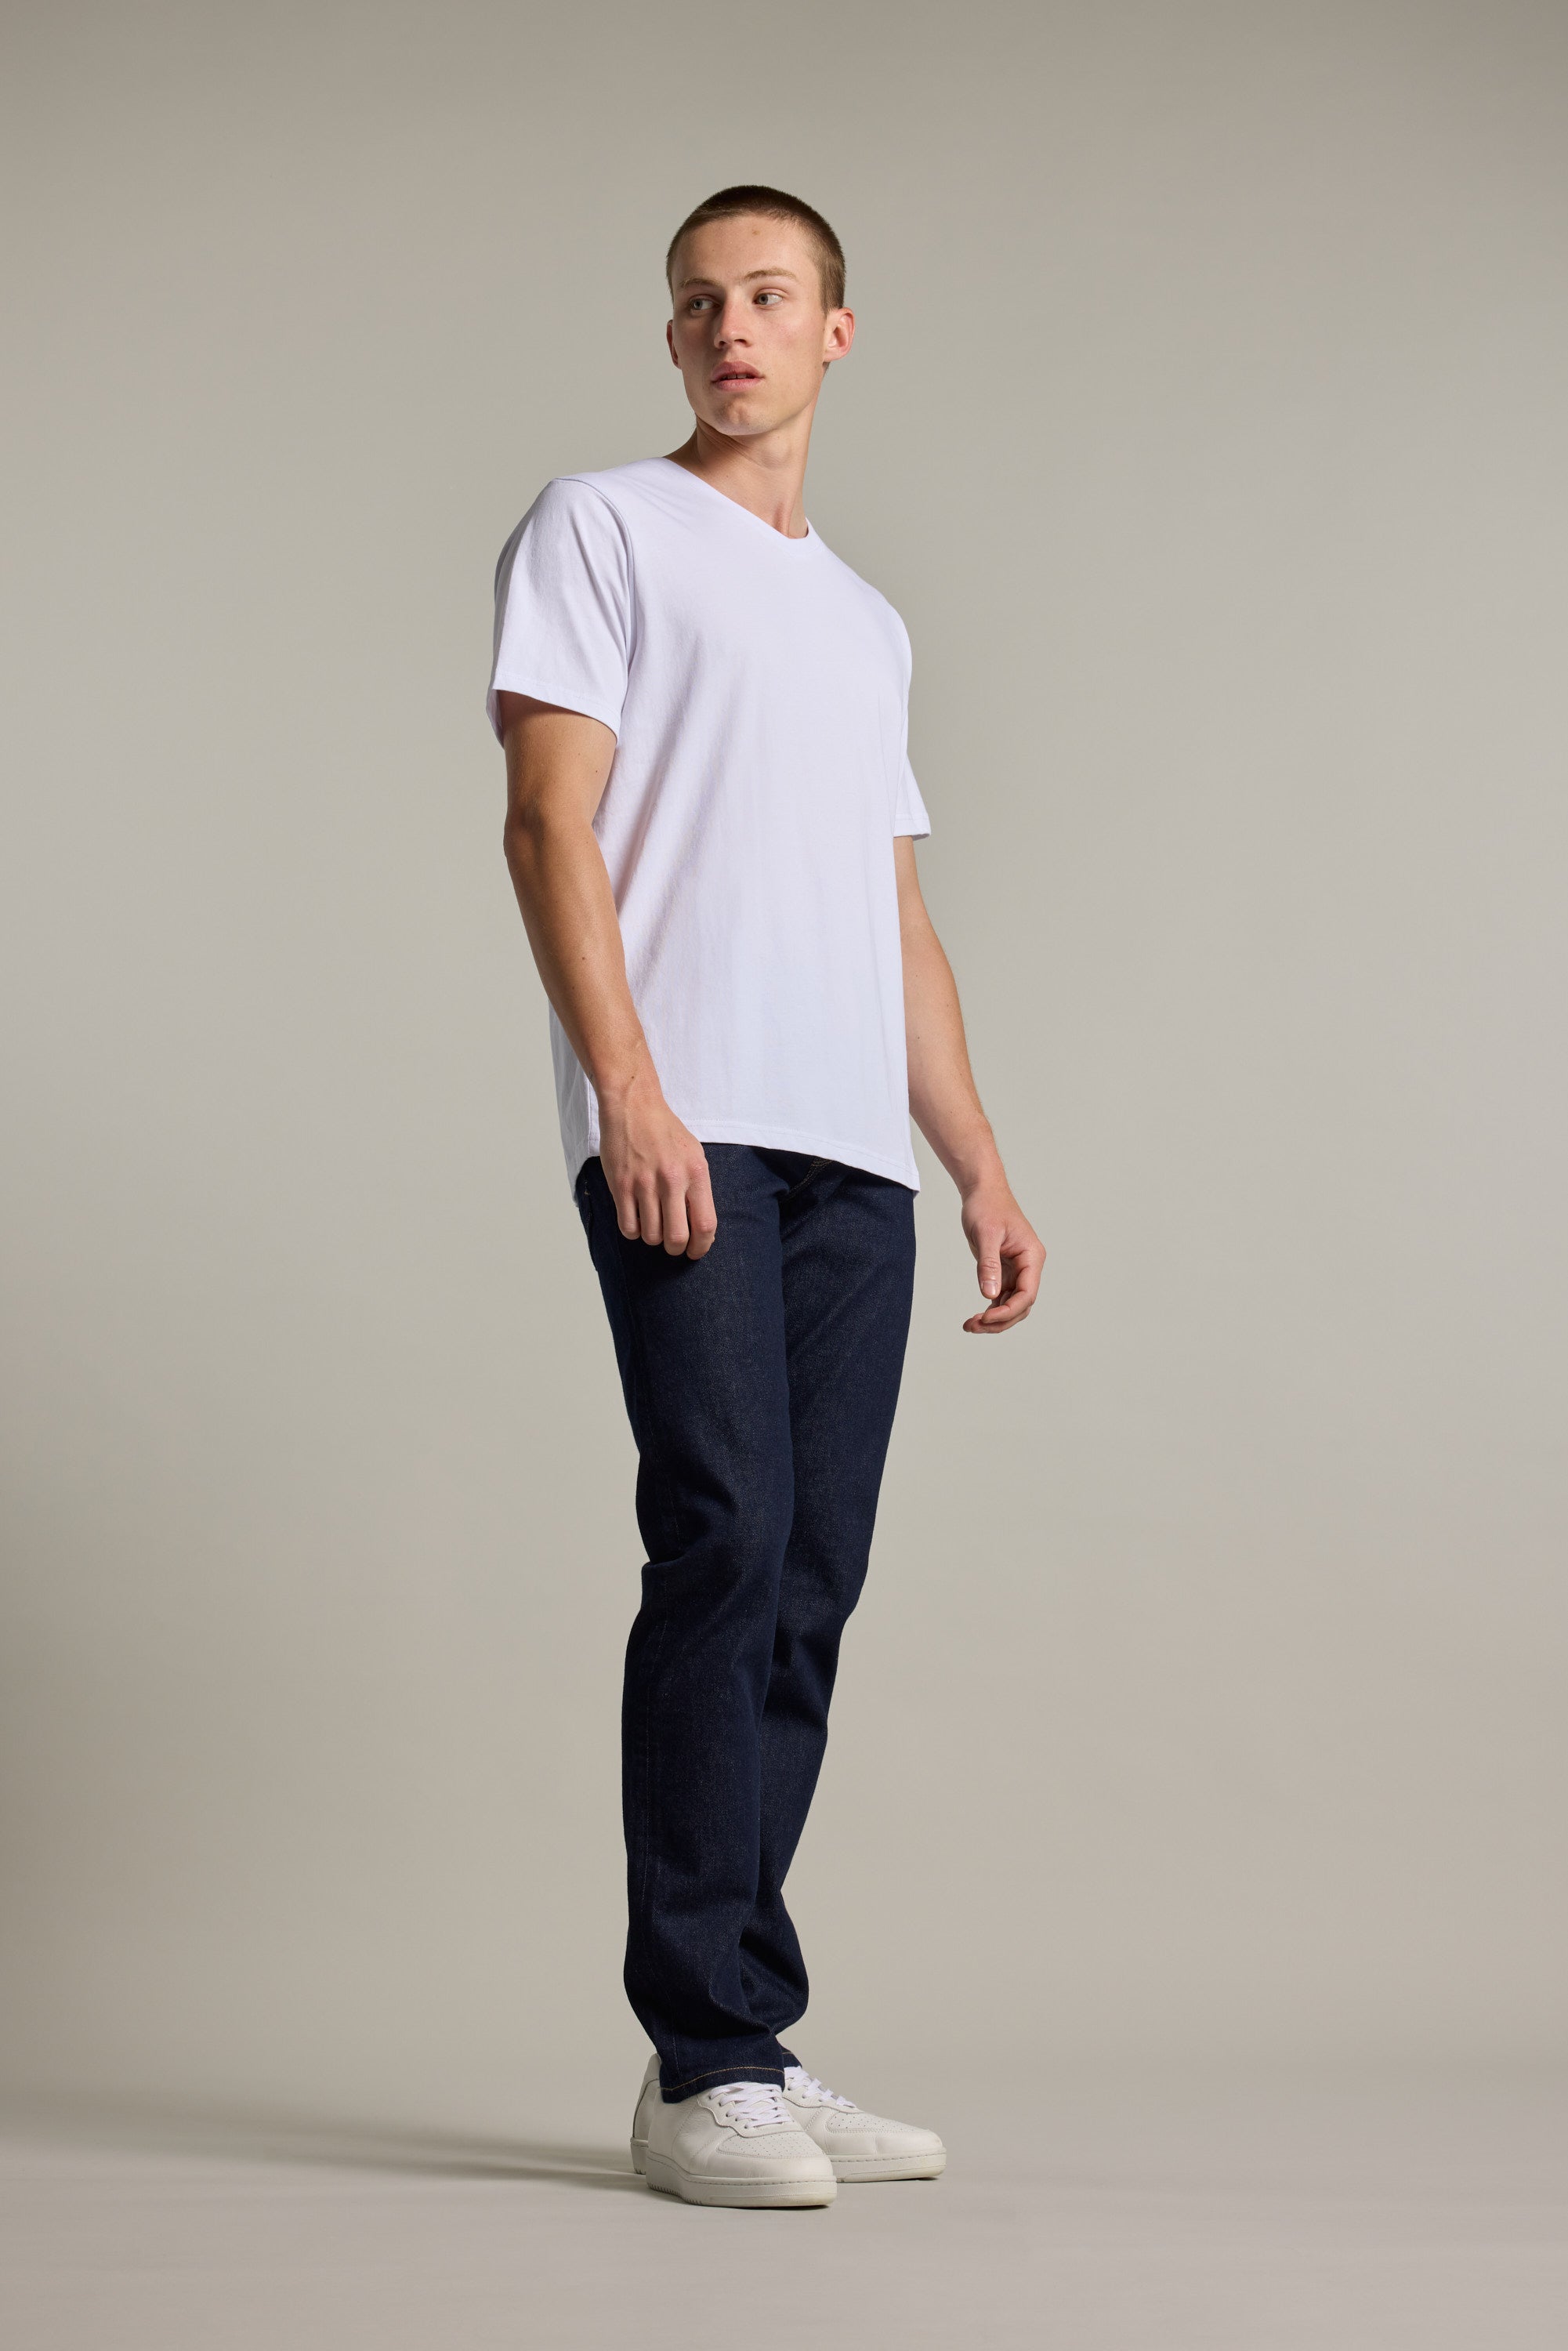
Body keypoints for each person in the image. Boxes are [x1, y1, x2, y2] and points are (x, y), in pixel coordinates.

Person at [489, 185, 1045, 2209]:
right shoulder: (602, 529)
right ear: (675, 343)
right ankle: (698, 2058)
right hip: (688, 1121)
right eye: (702, 301)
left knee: (809, 1581)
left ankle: (749, 2029)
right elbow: (548, 821)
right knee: (723, 1542)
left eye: (772, 295)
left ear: (835, 334)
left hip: (850, 1155)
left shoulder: (867, 618)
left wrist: (973, 1156)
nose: (734, 325)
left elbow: (897, 917)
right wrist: (628, 1092)